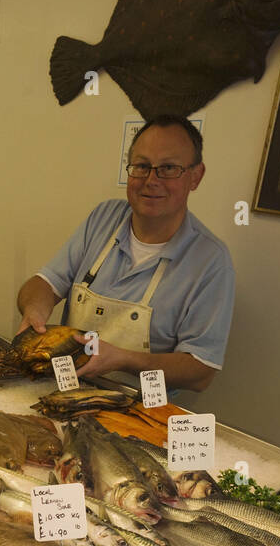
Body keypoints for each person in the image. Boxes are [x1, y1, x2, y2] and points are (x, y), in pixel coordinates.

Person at [15, 115, 234, 392]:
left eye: (168, 168)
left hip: (141, 407)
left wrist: (124, 360)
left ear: (196, 176)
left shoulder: (211, 261)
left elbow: (200, 372)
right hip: (65, 390)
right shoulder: (103, 218)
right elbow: (44, 283)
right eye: (142, 166)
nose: (151, 180)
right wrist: (34, 309)